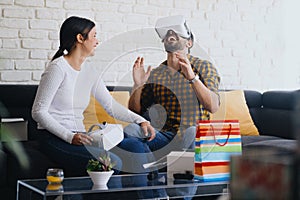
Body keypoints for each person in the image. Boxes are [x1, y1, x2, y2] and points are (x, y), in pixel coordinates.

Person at [32, 16, 155, 176]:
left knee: (135, 147)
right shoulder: (58, 68)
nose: (97, 41)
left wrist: (141, 120)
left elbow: (110, 106)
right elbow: (38, 112)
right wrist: (70, 137)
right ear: (80, 38)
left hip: (82, 135)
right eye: (94, 35)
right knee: (111, 161)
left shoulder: (89, 71)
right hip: (54, 138)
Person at [125, 15, 220, 159]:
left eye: (176, 33)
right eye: (168, 33)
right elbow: (135, 111)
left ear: (189, 43)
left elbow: (213, 106)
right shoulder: (156, 74)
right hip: (163, 136)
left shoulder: (203, 66)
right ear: (163, 41)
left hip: (190, 135)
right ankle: (151, 170)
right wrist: (138, 85)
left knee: (192, 132)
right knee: (131, 129)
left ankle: (182, 169)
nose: (171, 34)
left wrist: (192, 78)